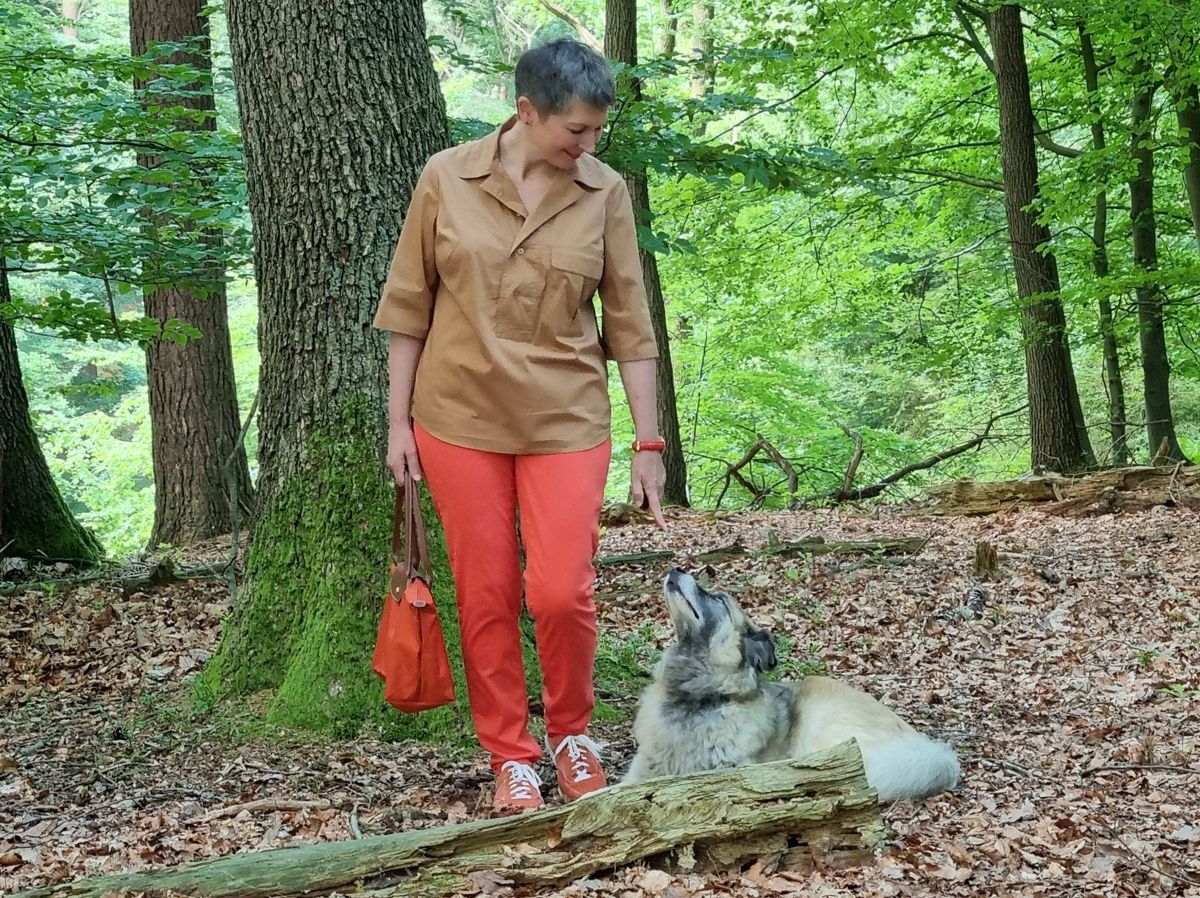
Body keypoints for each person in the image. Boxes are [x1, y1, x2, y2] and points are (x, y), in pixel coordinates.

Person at [373, 37, 667, 815]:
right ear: (526, 112)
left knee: (562, 591)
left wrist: (648, 443)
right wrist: (396, 421)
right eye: (575, 131)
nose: (588, 145)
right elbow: (409, 305)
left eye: (597, 132)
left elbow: (632, 326)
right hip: (456, 418)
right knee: (487, 591)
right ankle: (510, 753)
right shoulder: (445, 177)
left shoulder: (604, 192)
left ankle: (572, 734)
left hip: (566, 420)